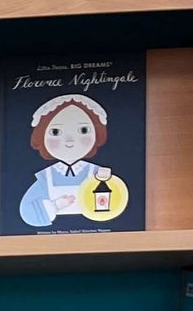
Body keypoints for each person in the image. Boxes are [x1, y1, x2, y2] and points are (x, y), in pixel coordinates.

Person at [16, 93, 120, 229]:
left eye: (83, 130)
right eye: (55, 132)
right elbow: (27, 209)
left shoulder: (97, 173)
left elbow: (117, 201)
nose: (69, 140)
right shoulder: (47, 177)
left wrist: (109, 182)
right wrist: (55, 206)